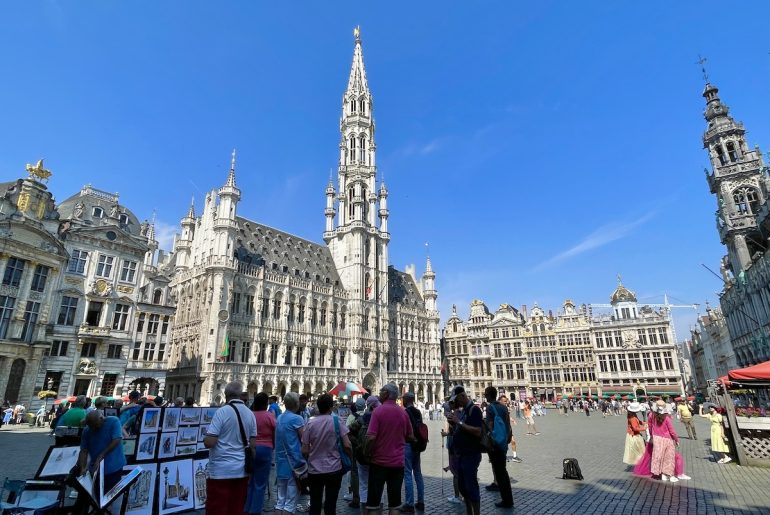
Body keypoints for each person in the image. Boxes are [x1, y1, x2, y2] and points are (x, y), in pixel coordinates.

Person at [204, 381, 257, 515]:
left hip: (221, 471)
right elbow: (253, 445)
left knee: (217, 509)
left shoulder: (222, 412)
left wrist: (205, 437)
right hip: (241, 470)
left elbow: (210, 442)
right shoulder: (250, 414)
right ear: (240, 395)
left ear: (226, 395)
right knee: (237, 508)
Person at [364, 384, 413, 515]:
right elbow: (411, 436)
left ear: (385, 394)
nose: (379, 393)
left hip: (378, 463)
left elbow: (370, 438)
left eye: (381, 391)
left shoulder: (378, 412)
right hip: (397, 464)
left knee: (373, 505)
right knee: (395, 505)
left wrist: (367, 453)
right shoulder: (403, 413)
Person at [301, 393, 351, 515]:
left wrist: (310, 458)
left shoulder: (310, 423)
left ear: (318, 406)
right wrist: (350, 457)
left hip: (314, 470)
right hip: (334, 469)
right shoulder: (337, 421)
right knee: (330, 505)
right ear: (331, 407)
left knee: (315, 504)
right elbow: (347, 445)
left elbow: (305, 450)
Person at [75, 411, 126, 513]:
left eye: (96, 426)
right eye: (92, 426)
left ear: (102, 419)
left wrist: (101, 455)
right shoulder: (87, 430)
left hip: (113, 467)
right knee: (95, 497)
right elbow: (83, 451)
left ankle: (105, 509)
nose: (94, 429)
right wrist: (82, 468)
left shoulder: (113, 421)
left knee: (108, 497)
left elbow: (116, 440)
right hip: (96, 470)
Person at [446, 385, 483, 515]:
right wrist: (453, 423)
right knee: (463, 487)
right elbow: (460, 430)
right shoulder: (464, 411)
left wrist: (459, 422)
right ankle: (469, 512)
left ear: (463, 396)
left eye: (457, 399)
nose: (456, 402)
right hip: (461, 455)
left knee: (471, 486)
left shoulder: (474, 410)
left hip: (471, 454)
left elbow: (478, 431)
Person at [275, 392, 306, 515]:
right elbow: (304, 439)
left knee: (280, 500)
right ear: (296, 404)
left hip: (280, 461)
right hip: (294, 463)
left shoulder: (279, 418)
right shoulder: (297, 419)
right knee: (290, 502)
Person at [483, 387, 514, 509]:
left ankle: (506, 500)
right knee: (503, 471)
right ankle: (508, 498)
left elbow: (490, 426)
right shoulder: (503, 407)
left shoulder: (491, 408)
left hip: (495, 443)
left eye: (486, 394)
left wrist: (486, 429)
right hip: (504, 441)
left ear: (490, 396)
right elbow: (507, 424)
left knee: (500, 472)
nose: (485, 396)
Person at [246, 393, 276, 515]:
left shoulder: (249, 416)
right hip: (265, 449)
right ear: (265, 403)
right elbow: (275, 432)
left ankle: (246, 508)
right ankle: (255, 510)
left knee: (250, 481)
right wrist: (272, 445)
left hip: (250, 448)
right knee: (260, 482)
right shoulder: (270, 416)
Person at [349, 395, 380, 510]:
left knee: (363, 483)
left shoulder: (363, 418)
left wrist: (358, 444)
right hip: (378, 455)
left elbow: (349, 431)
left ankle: (364, 509)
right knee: (377, 484)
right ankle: (377, 510)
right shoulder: (381, 417)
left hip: (362, 455)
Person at [402, 392, 425, 512]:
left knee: (407, 473)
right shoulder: (418, 412)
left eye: (403, 399)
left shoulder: (405, 412)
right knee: (418, 473)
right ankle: (421, 501)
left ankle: (409, 503)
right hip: (418, 445)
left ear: (406, 400)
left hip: (408, 444)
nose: (402, 401)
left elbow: (403, 430)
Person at [649, 400, 680, 482]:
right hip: (667, 439)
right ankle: (669, 475)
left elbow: (649, 427)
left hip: (656, 438)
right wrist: (676, 439)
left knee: (659, 456)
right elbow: (672, 430)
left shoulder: (651, 415)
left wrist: (651, 436)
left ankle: (661, 474)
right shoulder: (666, 417)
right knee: (669, 457)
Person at [441, 399, 463, 505]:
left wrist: (446, 434)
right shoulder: (461, 413)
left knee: (456, 473)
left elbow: (455, 433)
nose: (445, 413)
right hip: (461, 448)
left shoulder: (453, 417)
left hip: (454, 447)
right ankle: (463, 495)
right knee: (460, 471)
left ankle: (457, 496)